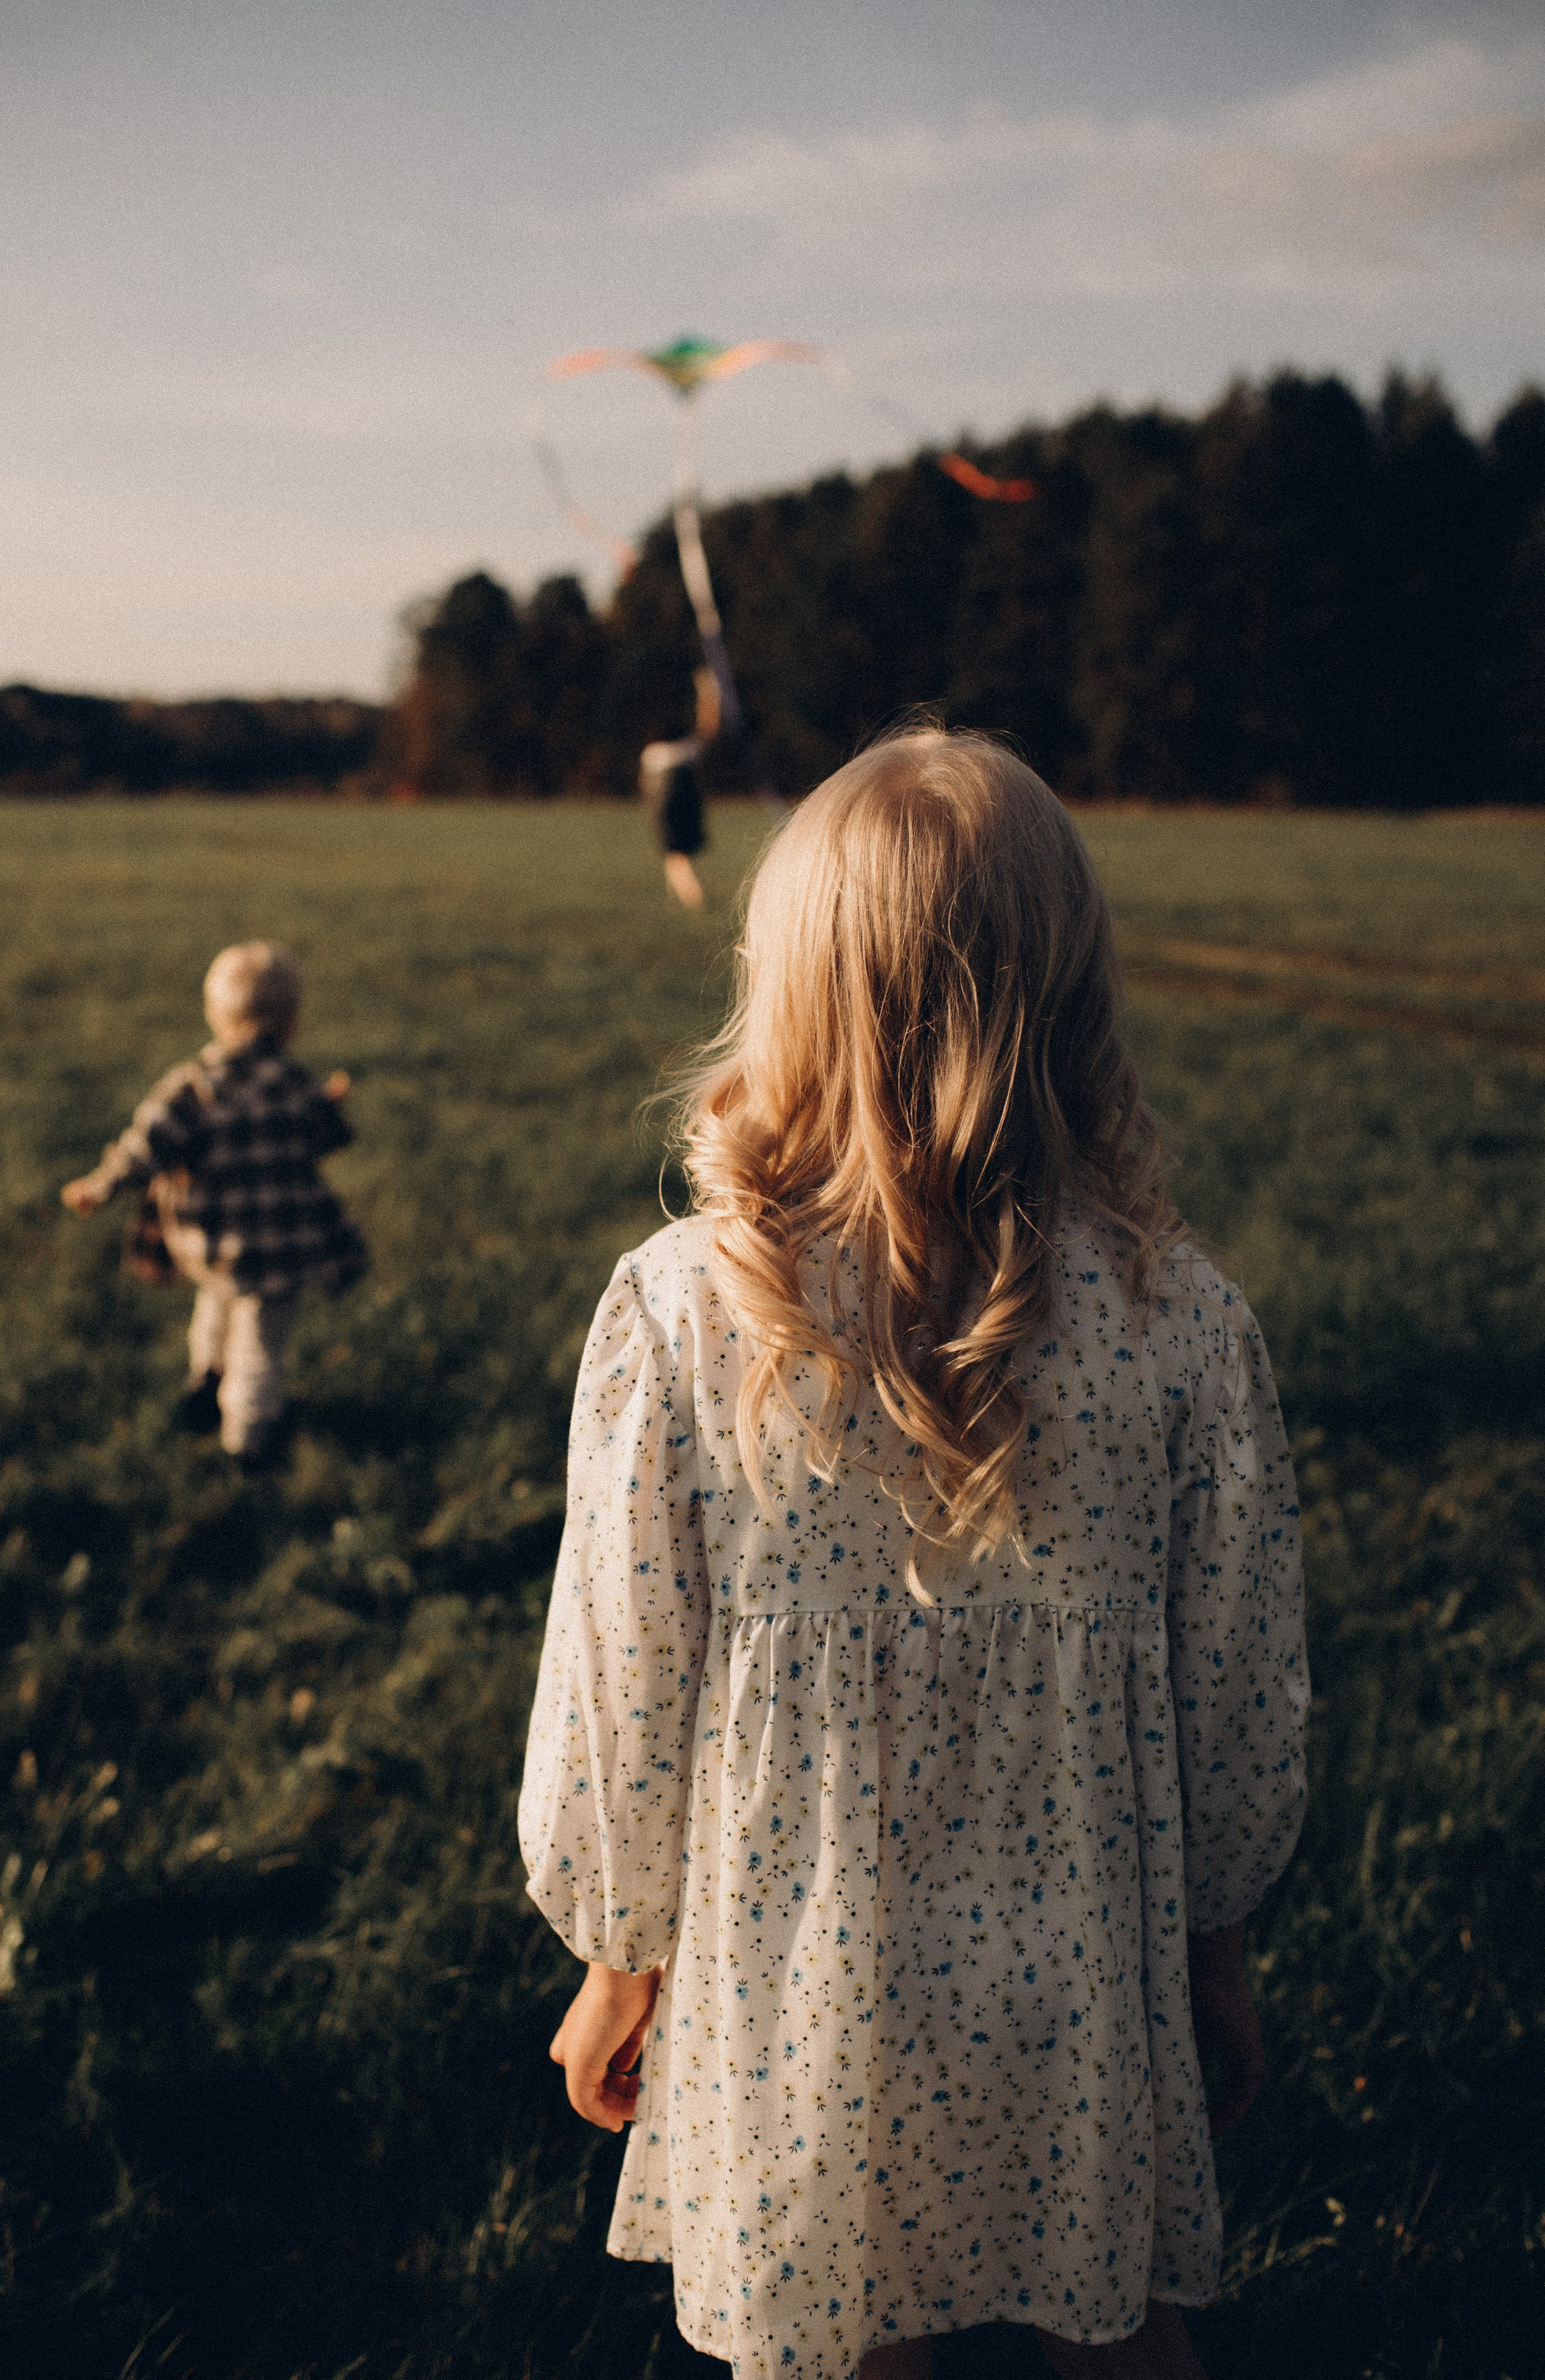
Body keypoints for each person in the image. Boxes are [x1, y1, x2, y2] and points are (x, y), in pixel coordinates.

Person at [519, 729, 1310, 2380]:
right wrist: (1214, 1953)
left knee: (837, 2326)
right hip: (1083, 1975)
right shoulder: (1180, 1323)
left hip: (805, 1985)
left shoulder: (684, 1312)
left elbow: (625, 1688)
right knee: (1113, 2313)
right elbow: (1235, 1697)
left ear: (784, 983)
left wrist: (618, 1957)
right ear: (1076, 993)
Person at [61, 941, 366, 1468]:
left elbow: (144, 1148)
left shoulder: (192, 1086)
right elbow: (330, 1137)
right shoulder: (295, 1083)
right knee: (262, 1346)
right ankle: (249, 1438)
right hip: (278, 1248)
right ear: (291, 1022)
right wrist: (330, 1104)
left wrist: (100, 1185)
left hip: (210, 1242)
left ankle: (207, 1382)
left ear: (216, 1014)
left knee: (215, 1305)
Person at [640, 666, 720, 909]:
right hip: (679, 780)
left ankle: (692, 900)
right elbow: (709, 727)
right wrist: (708, 691)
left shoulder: (652, 753)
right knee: (677, 851)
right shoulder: (687, 748)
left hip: (659, 782)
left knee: (674, 851)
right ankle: (684, 898)